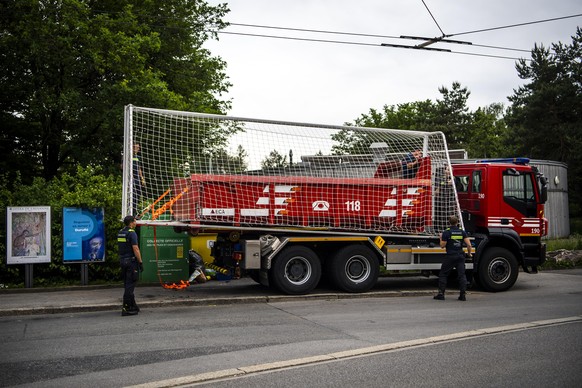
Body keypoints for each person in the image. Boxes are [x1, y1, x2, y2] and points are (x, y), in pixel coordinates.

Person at [434, 215, 472, 301]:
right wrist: (469, 254)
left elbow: (442, 246)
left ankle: (441, 294)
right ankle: (462, 295)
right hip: (460, 256)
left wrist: (440, 237)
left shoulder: (447, 232)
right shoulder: (462, 232)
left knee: (443, 274)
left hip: (450, 256)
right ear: (457, 222)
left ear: (449, 222)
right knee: (462, 275)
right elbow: (469, 245)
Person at [117, 215, 144, 316]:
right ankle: (126, 308)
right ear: (131, 222)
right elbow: (135, 248)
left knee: (127, 283)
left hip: (123, 261)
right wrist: (140, 262)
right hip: (131, 262)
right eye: (135, 221)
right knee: (130, 285)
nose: (136, 222)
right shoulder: (132, 233)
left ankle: (133, 306)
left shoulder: (121, 232)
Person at [434, 164, 456, 232]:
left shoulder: (454, 178)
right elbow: (438, 188)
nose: (447, 171)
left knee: (450, 214)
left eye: (449, 170)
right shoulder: (441, 178)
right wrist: (439, 187)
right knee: (441, 214)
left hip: (450, 200)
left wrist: (443, 184)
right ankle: (440, 228)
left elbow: (448, 183)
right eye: (446, 169)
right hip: (442, 199)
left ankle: (450, 227)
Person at [132, 143, 146, 215]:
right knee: (133, 195)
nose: (138, 149)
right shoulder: (127, 156)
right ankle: (132, 212)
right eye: (136, 147)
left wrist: (142, 178)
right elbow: (122, 166)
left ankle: (136, 211)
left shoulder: (138, 157)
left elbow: (139, 168)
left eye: (138, 148)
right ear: (133, 147)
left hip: (137, 178)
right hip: (131, 178)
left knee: (138, 194)